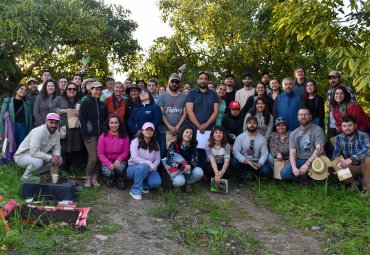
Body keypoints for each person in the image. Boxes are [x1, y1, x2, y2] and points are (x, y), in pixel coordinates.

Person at [280, 108, 325, 181]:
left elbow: (319, 149)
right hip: (300, 159)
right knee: (284, 173)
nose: (303, 116)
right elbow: (292, 152)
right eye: (301, 114)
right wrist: (294, 168)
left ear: (310, 116)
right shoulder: (293, 133)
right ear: (297, 117)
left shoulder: (318, 129)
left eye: (306, 114)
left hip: (316, 159)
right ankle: (305, 177)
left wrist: (307, 164)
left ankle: (304, 178)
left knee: (319, 181)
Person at [186, 71, 219, 167]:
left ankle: (206, 173)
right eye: (201, 78)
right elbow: (189, 111)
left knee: (208, 152)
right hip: (195, 128)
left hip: (209, 128)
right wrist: (199, 125)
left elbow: (216, 111)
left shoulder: (213, 94)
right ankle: (195, 171)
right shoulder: (192, 94)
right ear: (197, 80)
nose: (203, 80)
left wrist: (206, 125)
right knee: (194, 150)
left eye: (205, 78)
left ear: (208, 81)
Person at [14, 113, 62, 181]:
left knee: (59, 160)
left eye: (56, 123)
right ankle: (24, 178)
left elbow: (57, 148)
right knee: (38, 162)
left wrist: (56, 156)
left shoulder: (57, 133)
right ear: (46, 122)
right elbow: (33, 152)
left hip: (37, 157)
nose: (54, 125)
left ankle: (36, 174)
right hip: (22, 156)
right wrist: (51, 157)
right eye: (51, 122)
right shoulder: (38, 131)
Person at [332, 116, 370, 196]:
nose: (347, 128)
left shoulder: (363, 135)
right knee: (336, 164)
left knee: (368, 158)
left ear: (355, 126)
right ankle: (354, 182)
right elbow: (335, 155)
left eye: (350, 125)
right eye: (344, 126)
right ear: (341, 127)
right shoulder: (339, 138)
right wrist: (336, 166)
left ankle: (367, 189)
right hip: (352, 167)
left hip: (365, 166)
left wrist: (351, 159)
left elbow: (368, 149)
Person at [79, 82, 108, 187]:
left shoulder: (102, 105)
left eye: (100, 90)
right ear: (91, 90)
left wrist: (105, 133)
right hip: (89, 135)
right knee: (94, 157)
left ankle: (95, 177)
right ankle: (88, 178)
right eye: (96, 89)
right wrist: (85, 135)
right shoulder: (85, 103)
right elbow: (82, 120)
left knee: (100, 156)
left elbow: (105, 120)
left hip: (101, 135)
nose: (98, 92)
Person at [51, 82, 83, 173]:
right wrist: (64, 110)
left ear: (77, 91)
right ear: (66, 90)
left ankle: (67, 169)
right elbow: (51, 109)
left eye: (74, 89)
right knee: (62, 149)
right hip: (63, 127)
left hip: (75, 128)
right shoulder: (59, 99)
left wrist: (79, 113)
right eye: (69, 89)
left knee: (73, 149)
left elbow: (84, 113)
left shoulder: (80, 100)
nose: (72, 91)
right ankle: (60, 170)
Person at [231, 116, 271, 183]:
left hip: (256, 163)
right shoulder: (240, 137)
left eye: (254, 123)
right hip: (244, 162)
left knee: (267, 171)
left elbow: (264, 154)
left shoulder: (262, 139)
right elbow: (235, 151)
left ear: (257, 125)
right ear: (246, 124)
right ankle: (241, 177)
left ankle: (254, 175)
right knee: (233, 161)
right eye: (249, 123)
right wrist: (243, 159)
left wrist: (260, 163)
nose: (252, 125)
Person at [127, 122, 162, 200]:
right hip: (133, 168)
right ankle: (135, 190)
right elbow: (135, 157)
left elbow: (157, 160)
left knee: (156, 182)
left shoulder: (156, 144)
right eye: (147, 129)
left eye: (151, 130)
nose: (149, 132)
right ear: (142, 131)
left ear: (154, 132)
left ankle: (144, 186)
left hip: (150, 169)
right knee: (142, 167)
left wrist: (152, 167)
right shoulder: (135, 141)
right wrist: (149, 163)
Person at [166, 125, 204, 192]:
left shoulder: (193, 146)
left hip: (188, 171)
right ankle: (177, 185)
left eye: (191, 133)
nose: (188, 134)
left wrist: (190, 166)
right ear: (182, 133)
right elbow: (169, 160)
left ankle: (188, 183)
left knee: (199, 172)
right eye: (186, 132)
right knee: (179, 182)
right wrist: (182, 166)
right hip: (177, 171)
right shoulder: (174, 144)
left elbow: (195, 160)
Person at [98, 114, 130, 190]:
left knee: (121, 168)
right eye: (111, 123)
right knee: (108, 172)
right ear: (108, 124)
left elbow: (126, 151)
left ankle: (120, 179)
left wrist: (119, 159)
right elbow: (100, 154)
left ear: (119, 124)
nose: (114, 125)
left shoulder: (124, 136)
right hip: (107, 160)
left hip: (119, 160)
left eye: (116, 123)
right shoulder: (103, 137)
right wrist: (108, 163)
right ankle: (111, 178)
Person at [157, 73, 187, 148]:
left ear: (179, 84)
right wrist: (169, 127)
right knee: (163, 155)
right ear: (168, 82)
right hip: (164, 130)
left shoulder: (184, 97)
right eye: (172, 81)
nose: (174, 84)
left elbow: (184, 113)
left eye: (176, 82)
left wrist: (177, 127)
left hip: (179, 130)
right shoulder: (162, 96)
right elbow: (161, 113)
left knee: (178, 154)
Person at [326, 71, 356, 141]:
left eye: (334, 78)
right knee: (332, 148)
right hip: (332, 125)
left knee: (344, 148)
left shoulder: (347, 90)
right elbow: (330, 109)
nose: (332, 80)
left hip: (345, 126)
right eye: (330, 79)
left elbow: (353, 108)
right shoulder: (329, 92)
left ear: (339, 79)